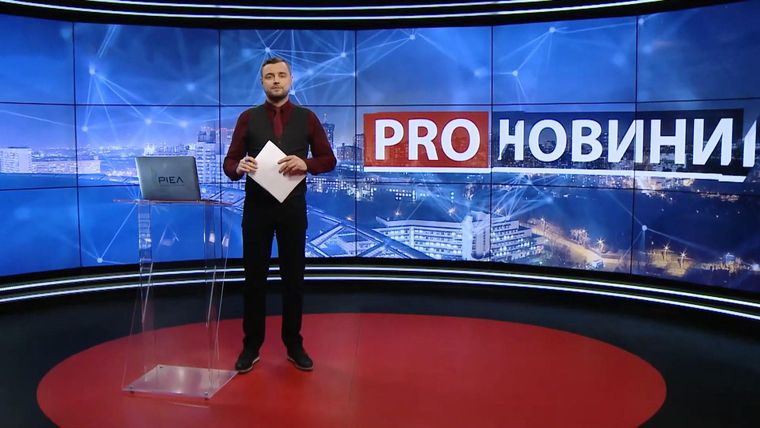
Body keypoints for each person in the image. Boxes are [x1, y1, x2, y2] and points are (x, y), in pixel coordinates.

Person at [223, 57, 336, 373]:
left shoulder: (307, 118)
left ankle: (293, 343)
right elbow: (229, 163)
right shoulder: (247, 118)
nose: (276, 80)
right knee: (253, 279)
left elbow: (329, 159)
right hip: (256, 210)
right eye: (269, 76)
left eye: (281, 75)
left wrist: (306, 164)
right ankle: (251, 345)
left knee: (293, 279)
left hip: (293, 209)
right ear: (262, 82)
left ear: (290, 80)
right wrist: (238, 166)